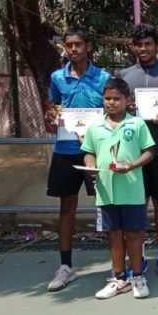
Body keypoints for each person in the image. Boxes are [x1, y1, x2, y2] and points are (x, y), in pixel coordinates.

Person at [44, 26, 111, 292]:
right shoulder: (57, 77)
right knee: (67, 207)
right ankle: (65, 266)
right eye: (68, 45)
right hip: (65, 150)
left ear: (88, 47)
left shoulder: (103, 77)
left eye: (78, 45)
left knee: (108, 205)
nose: (73, 49)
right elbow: (53, 113)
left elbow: (111, 111)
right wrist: (50, 119)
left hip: (98, 152)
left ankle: (118, 266)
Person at [117, 23, 158, 280]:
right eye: (138, 44)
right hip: (133, 153)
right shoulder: (123, 76)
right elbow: (114, 111)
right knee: (137, 205)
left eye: (148, 44)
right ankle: (139, 256)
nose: (143, 48)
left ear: (157, 45)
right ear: (133, 47)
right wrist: (129, 109)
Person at [81, 78, 155, 299]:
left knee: (134, 234)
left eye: (116, 98)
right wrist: (90, 165)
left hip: (132, 190)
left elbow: (149, 151)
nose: (111, 103)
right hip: (106, 191)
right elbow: (89, 151)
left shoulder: (137, 124)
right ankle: (119, 278)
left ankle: (138, 276)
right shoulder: (95, 126)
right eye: (107, 98)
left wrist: (132, 165)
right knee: (113, 234)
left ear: (127, 100)